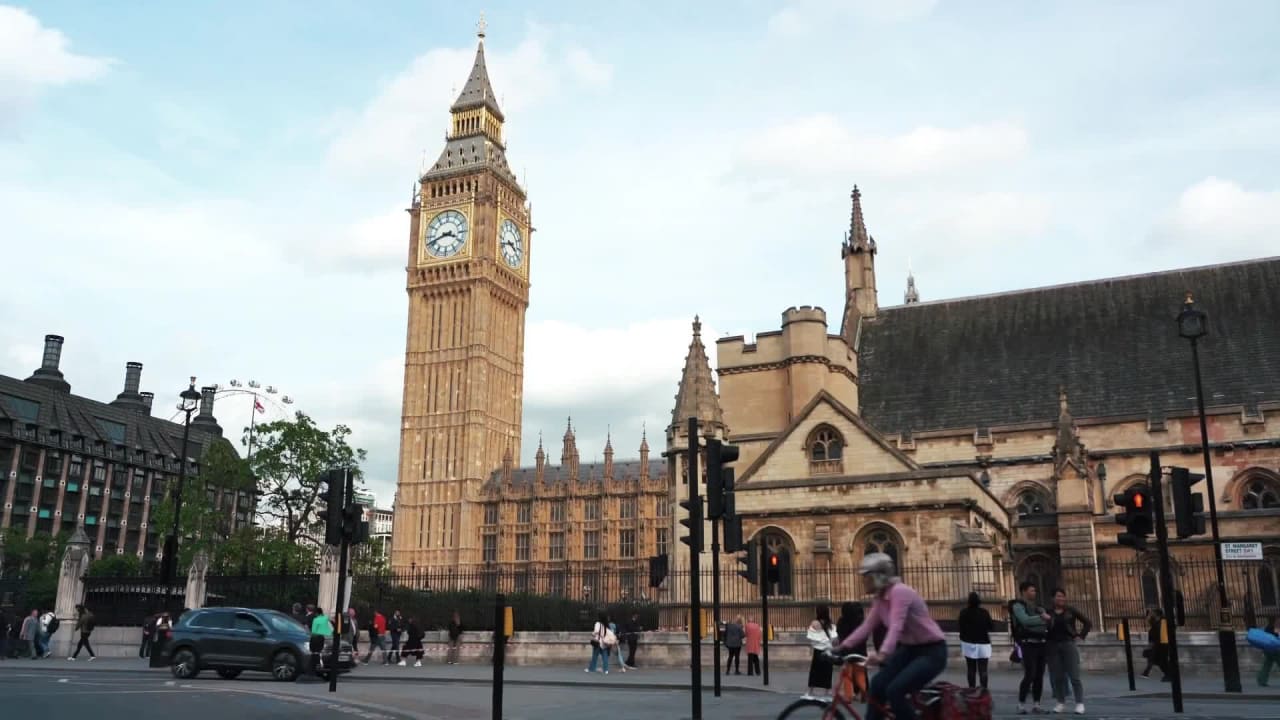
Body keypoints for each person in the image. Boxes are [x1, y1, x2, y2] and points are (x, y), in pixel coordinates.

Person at [834, 553, 947, 720]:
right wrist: (842, 647)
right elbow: (866, 627)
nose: (864, 581)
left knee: (895, 691)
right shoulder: (880, 599)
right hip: (909, 650)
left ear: (879, 576)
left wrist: (882, 654)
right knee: (877, 685)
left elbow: (896, 625)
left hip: (932, 652)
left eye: (867, 577)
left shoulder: (899, 592)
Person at [1045, 588, 1091, 714]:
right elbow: (1045, 628)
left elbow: (1087, 623)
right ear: (1053, 598)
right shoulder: (1048, 612)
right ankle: (1060, 702)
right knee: (1058, 677)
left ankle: (1079, 703)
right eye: (1058, 596)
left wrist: (1080, 636)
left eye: (1063, 596)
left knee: (1074, 676)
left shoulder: (1071, 611)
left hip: (1068, 644)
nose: (1061, 599)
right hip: (1053, 646)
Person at [1011, 581, 1051, 714]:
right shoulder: (1018, 606)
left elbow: (1046, 623)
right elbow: (1025, 621)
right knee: (1030, 674)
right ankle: (1021, 704)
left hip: (1041, 643)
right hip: (1027, 643)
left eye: (1035, 590)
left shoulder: (1037, 607)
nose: (1034, 593)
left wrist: (1041, 619)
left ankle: (1036, 704)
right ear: (1024, 591)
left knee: (1039, 675)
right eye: (1031, 590)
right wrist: (1042, 618)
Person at [958, 592, 993, 690]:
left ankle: (971, 690)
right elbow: (991, 626)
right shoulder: (984, 612)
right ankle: (983, 690)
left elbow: (961, 627)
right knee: (983, 670)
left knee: (971, 669)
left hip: (968, 643)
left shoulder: (964, 612)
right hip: (983, 642)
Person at [805, 605, 837, 700]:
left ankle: (810, 692)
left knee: (815, 671)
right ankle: (827, 693)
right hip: (828, 650)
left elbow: (811, 636)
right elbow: (834, 638)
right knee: (827, 671)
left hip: (818, 651)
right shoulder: (830, 624)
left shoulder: (815, 623)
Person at [1140, 608, 1169, 681]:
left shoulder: (1161, 622)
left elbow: (1159, 635)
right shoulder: (1156, 622)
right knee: (1159, 662)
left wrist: (1152, 645)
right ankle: (1168, 675)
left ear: (1157, 614)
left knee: (1161, 661)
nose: (1150, 615)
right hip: (1158, 645)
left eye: (1152, 613)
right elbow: (1149, 622)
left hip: (1161, 646)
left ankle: (1169, 675)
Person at [309, 607, 333, 673]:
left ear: (316, 613)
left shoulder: (316, 620)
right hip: (327, 638)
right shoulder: (326, 619)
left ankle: (315, 669)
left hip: (319, 638)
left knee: (316, 656)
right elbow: (331, 629)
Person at [1257, 617, 1278, 687]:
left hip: (1267, 649)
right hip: (1275, 650)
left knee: (1267, 665)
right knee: (1267, 665)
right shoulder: (1274, 627)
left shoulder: (1267, 628)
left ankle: (1261, 680)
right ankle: (1261, 680)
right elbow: (1275, 638)